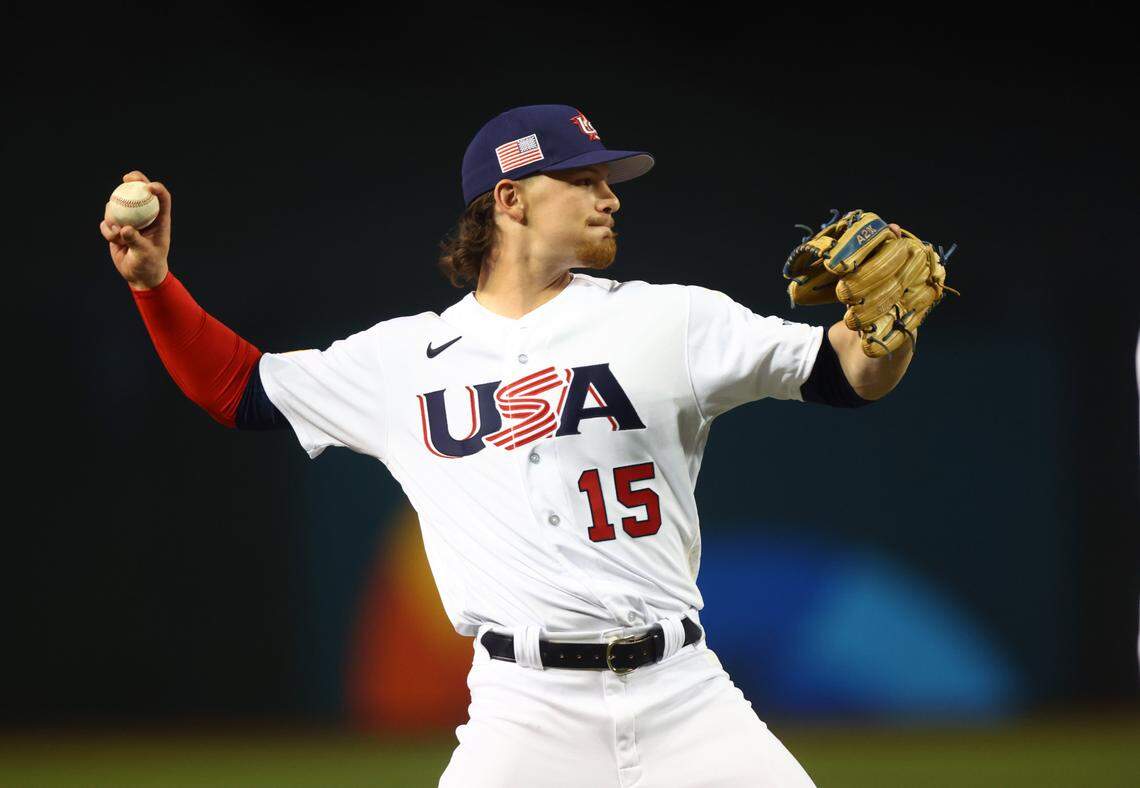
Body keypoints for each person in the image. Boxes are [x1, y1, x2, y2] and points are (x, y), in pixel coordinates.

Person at [100, 104, 914, 787]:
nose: (611, 198)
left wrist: (887, 334)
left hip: (684, 694)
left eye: (609, 181)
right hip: (524, 710)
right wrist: (153, 286)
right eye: (584, 179)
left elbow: (845, 372)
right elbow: (236, 388)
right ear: (510, 199)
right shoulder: (401, 360)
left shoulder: (672, 318)